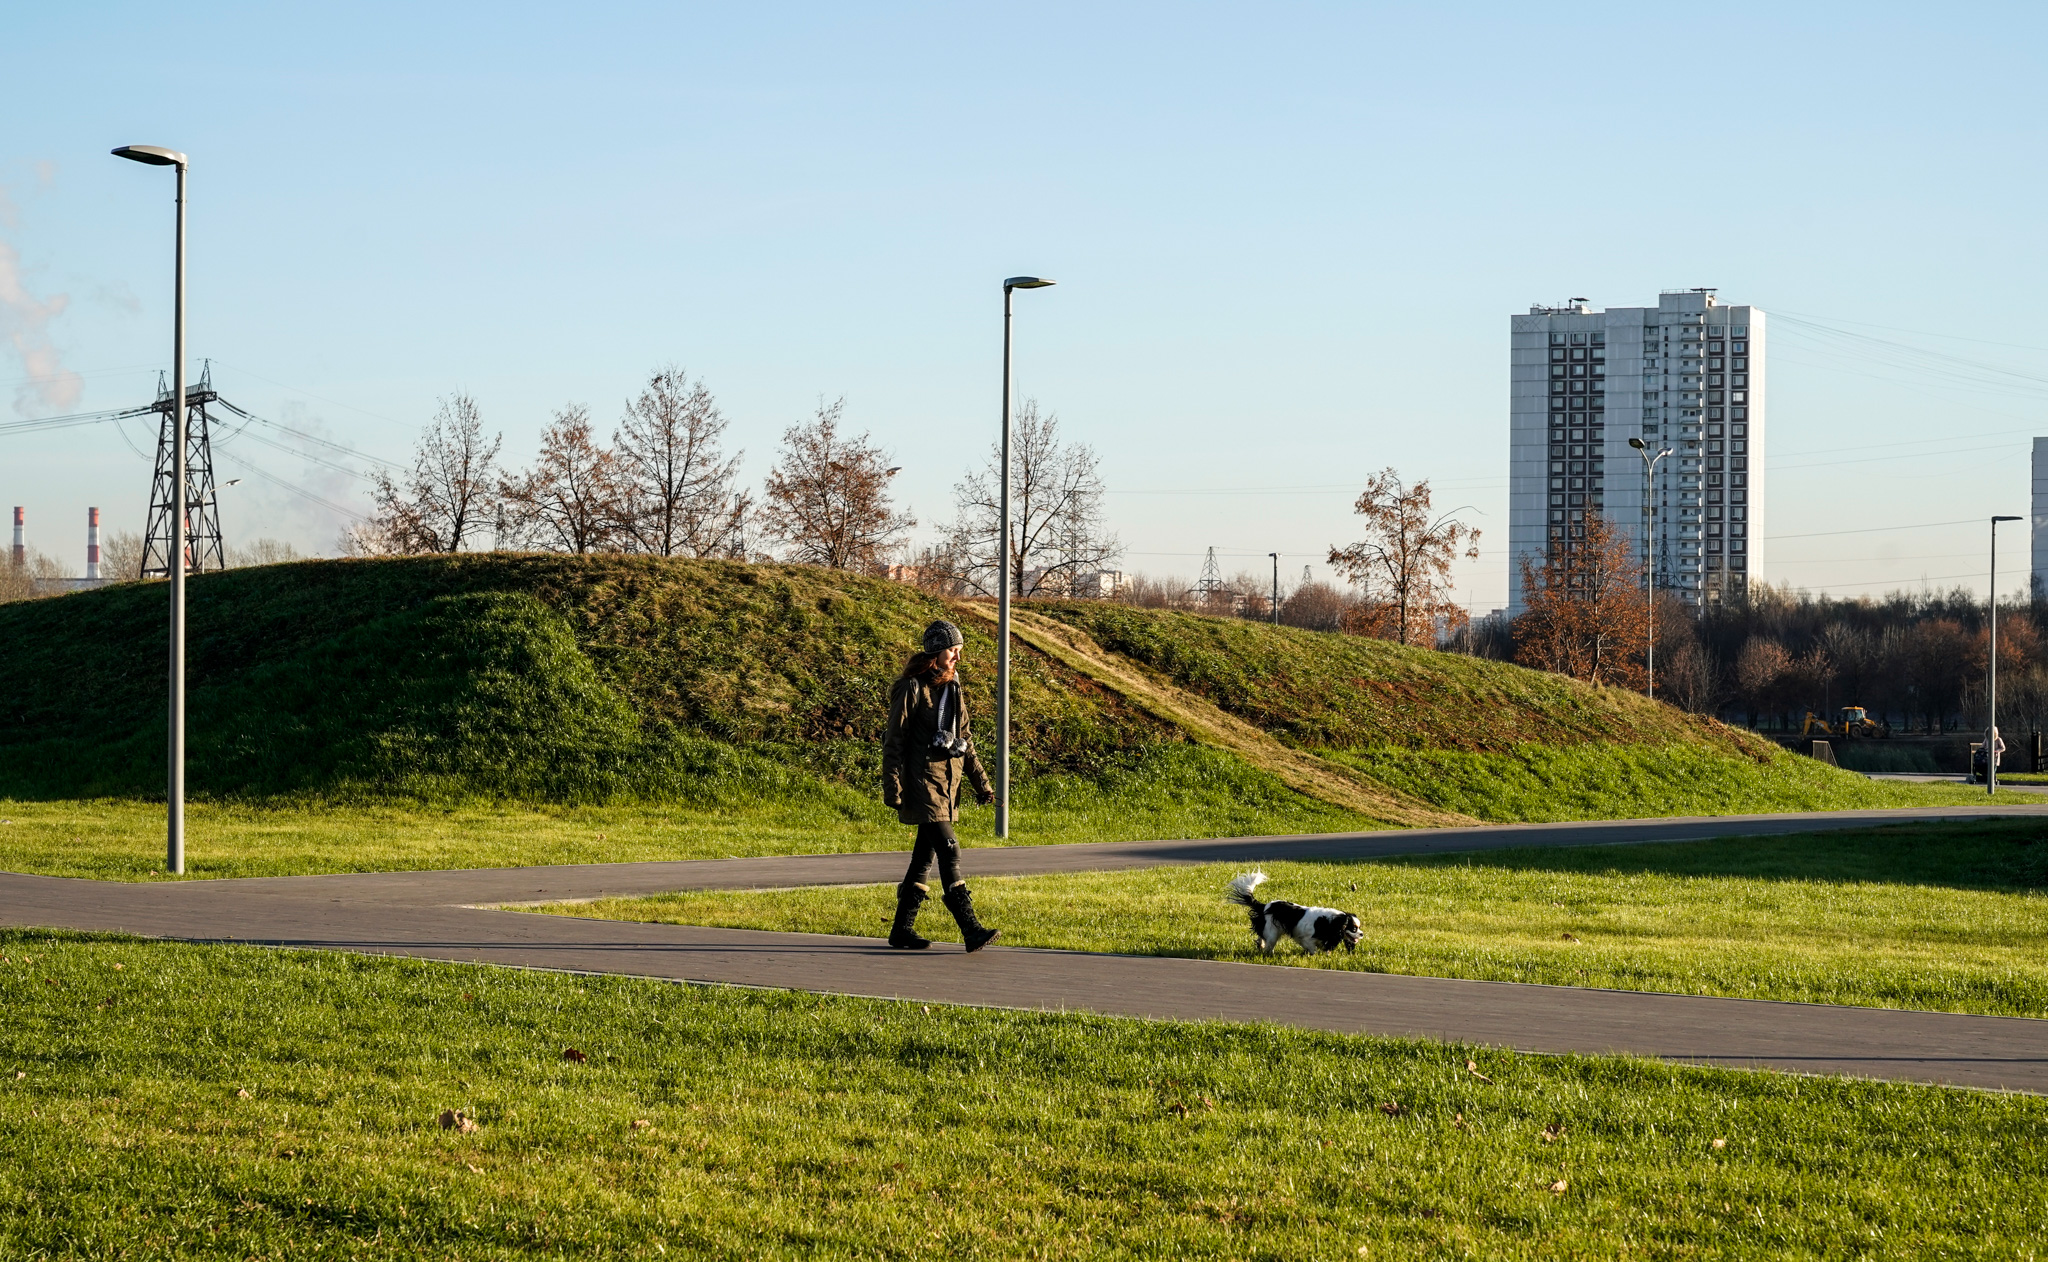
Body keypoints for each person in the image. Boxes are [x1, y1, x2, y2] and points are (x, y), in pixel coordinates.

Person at [881, 619, 999, 952]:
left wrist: (982, 785)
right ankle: (970, 928)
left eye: (960, 651)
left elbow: (966, 741)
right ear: (935, 652)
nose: (958, 658)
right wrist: (893, 786)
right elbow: (894, 740)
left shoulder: (952, 689)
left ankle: (901, 930)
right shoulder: (911, 688)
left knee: (923, 859)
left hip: (948, 785)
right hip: (921, 784)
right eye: (953, 650)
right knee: (949, 849)